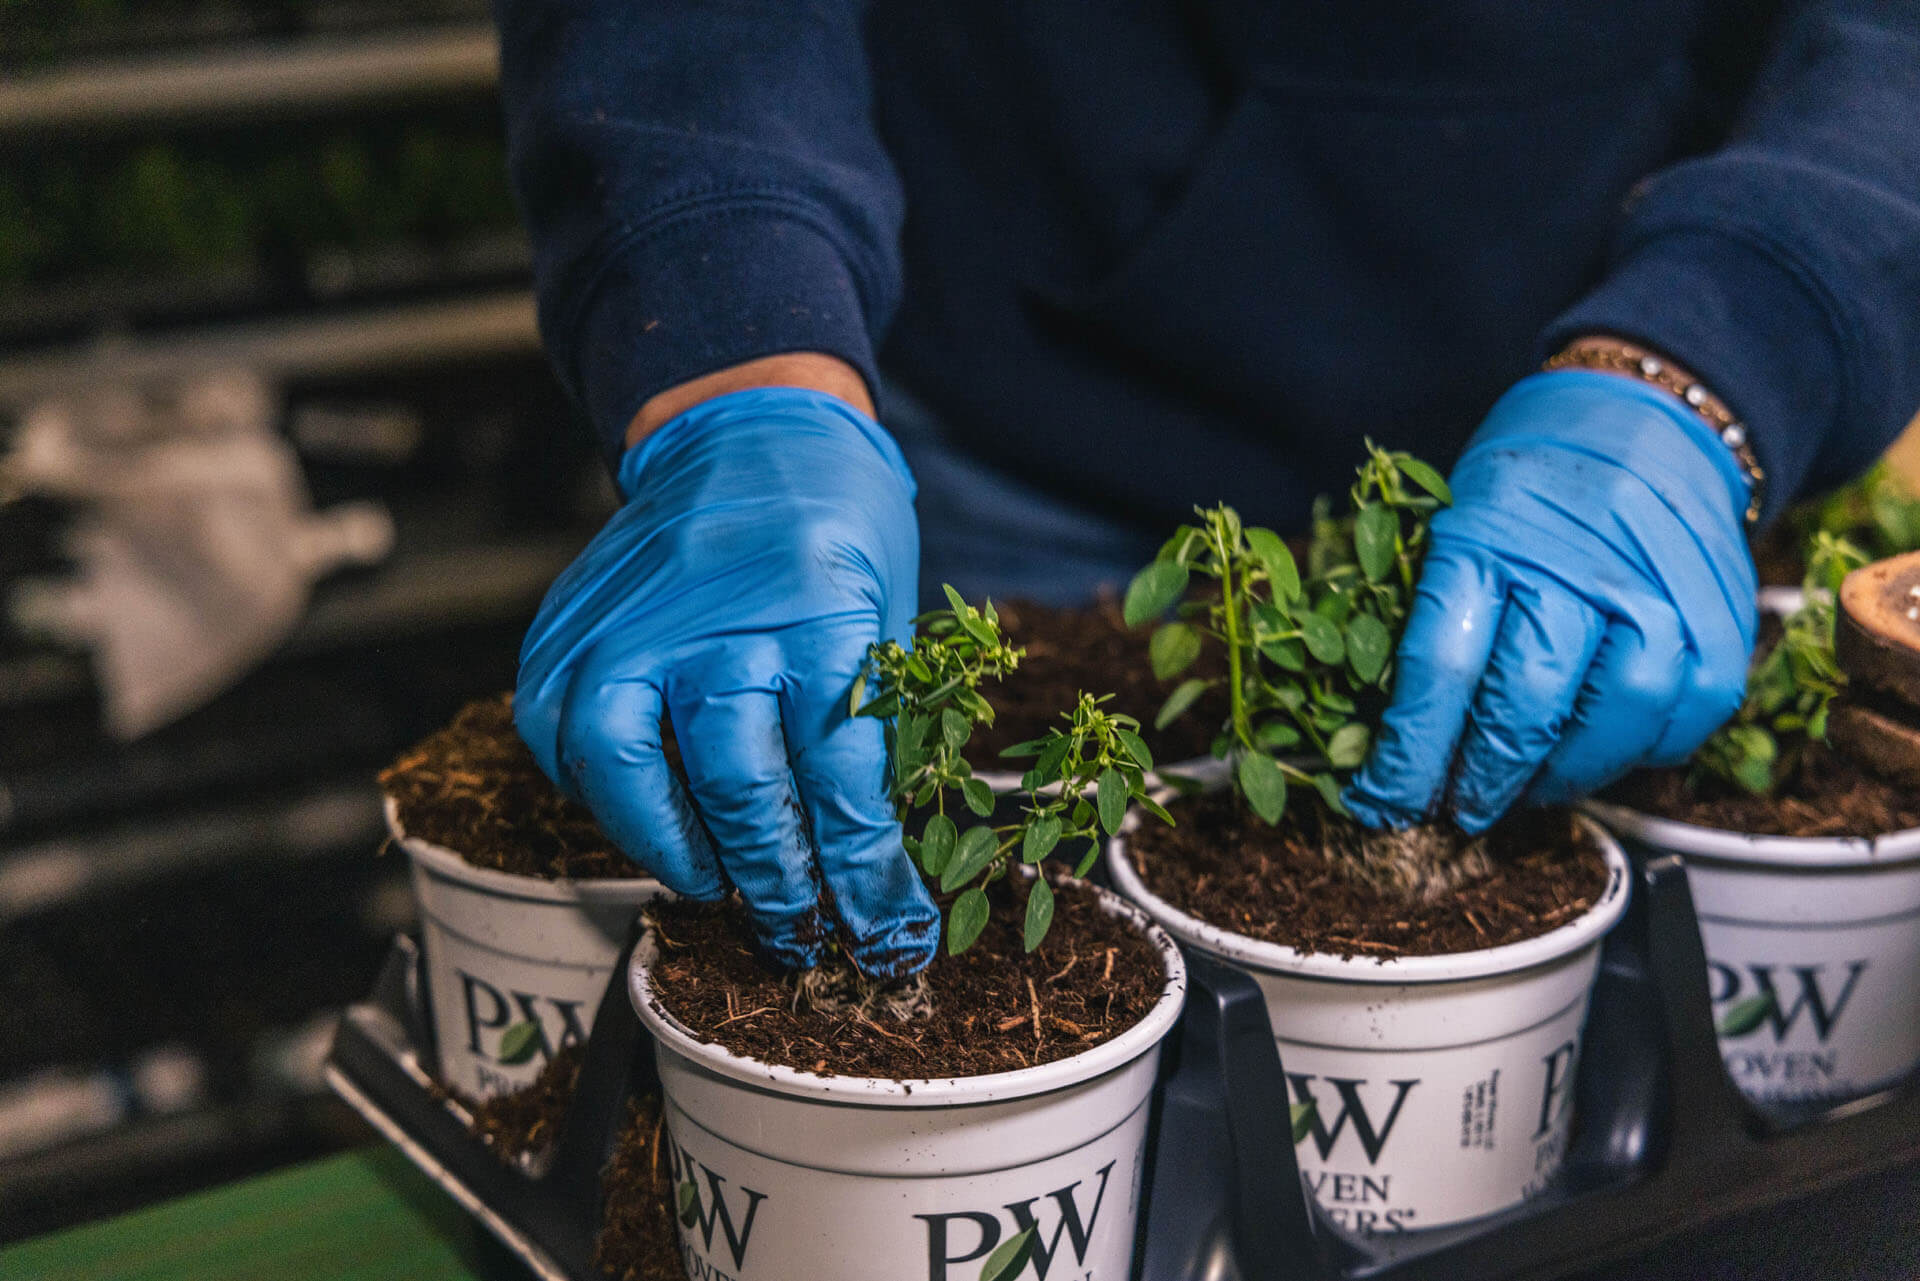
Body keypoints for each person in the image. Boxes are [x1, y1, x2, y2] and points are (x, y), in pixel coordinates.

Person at [496, 2, 1920, 980]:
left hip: (1605, 316)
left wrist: (1734, 337)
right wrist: (731, 344)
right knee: (885, 836)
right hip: (999, 352)